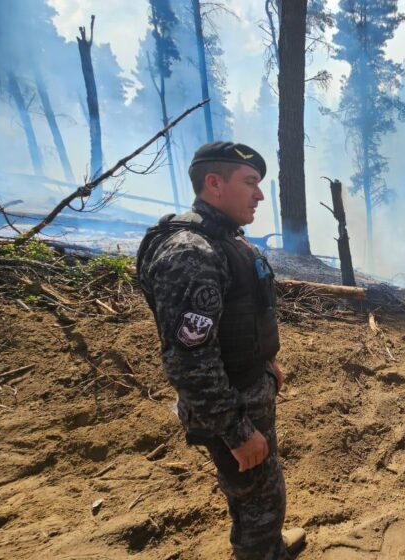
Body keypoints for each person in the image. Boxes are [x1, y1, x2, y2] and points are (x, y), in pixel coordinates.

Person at [136, 142, 305, 559]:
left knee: (258, 490)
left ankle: (265, 544)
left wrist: (266, 361)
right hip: (232, 405)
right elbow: (188, 360)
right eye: (250, 183)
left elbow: (236, 317)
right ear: (214, 183)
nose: (260, 195)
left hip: (246, 389)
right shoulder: (192, 254)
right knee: (257, 498)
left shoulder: (222, 240)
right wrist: (236, 430)